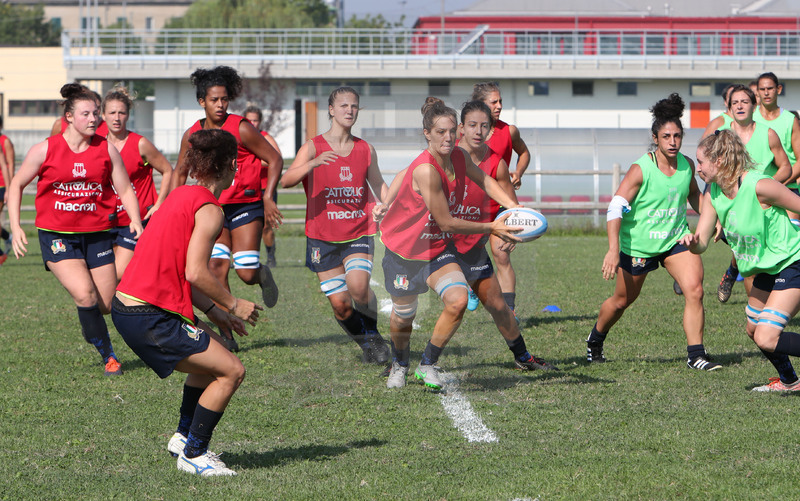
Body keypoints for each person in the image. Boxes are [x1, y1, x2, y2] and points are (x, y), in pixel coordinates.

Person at [113, 129, 262, 476]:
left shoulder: (180, 195)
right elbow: (196, 272)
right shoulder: (210, 210)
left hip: (131, 307)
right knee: (232, 371)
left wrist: (214, 312)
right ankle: (195, 454)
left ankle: (182, 438)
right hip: (148, 314)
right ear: (232, 165)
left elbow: (181, 269)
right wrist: (234, 304)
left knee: (215, 354)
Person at [379, 97, 522, 390]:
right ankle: (400, 364)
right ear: (427, 134)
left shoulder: (459, 156)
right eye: (440, 132)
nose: (447, 137)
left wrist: (514, 207)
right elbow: (446, 223)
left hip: (436, 249)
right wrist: (492, 226)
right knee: (403, 317)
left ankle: (427, 364)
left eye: (451, 131)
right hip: (404, 253)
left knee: (458, 301)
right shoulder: (426, 170)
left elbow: (486, 180)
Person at [7, 83, 143, 376]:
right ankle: (109, 357)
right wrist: (16, 226)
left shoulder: (105, 148)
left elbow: (124, 188)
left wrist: (135, 219)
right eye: (86, 114)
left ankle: (90, 324)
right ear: (69, 116)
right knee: (85, 295)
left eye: (96, 113)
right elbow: (16, 184)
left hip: (98, 234)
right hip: (58, 237)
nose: (94, 119)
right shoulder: (45, 149)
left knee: (105, 304)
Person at [586, 93, 719, 371]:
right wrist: (613, 250)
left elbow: (694, 195)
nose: (673, 142)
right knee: (622, 301)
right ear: (655, 138)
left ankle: (696, 355)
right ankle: (595, 338)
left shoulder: (687, 165)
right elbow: (615, 207)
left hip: (676, 240)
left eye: (677, 136)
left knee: (695, 290)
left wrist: (712, 219)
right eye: (666, 136)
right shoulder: (641, 169)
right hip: (639, 246)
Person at [681, 129, 800, 391]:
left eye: (700, 162)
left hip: (793, 262)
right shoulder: (713, 193)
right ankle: (790, 382)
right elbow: (702, 243)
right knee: (754, 329)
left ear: (719, 161)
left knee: (767, 337)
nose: (697, 168)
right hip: (766, 269)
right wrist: (692, 242)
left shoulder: (759, 185)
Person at [281, 87, 391, 364]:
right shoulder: (313, 147)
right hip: (322, 237)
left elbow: (378, 184)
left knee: (359, 288)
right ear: (331, 110)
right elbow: (286, 180)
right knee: (341, 306)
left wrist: (389, 204)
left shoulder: (365, 149)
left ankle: (375, 339)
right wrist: (313, 163)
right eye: (343, 105)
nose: (349, 110)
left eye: (354, 106)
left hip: (358, 231)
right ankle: (366, 343)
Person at [452, 100, 557, 371]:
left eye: (484, 126)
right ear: (461, 128)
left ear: (490, 130)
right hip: (440, 243)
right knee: (449, 302)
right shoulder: (446, 156)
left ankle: (523, 356)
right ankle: (403, 360)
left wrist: (516, 226)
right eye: (472, 125)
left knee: (497, 305)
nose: (478, 131)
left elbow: (510, 204)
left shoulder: (495, 164)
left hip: (475, 242)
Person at [172, 66, 282, 318]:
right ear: (202, 102)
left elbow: (275, 159)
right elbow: (180, 172)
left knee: (246, 273)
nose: (220, 105)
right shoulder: (192, 134)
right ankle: (229, 327)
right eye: (214, 100)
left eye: (224, 99)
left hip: (245, 205)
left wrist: (267, 197)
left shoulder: (242, 128)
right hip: (211, 208)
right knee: (216, 267)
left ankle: (262, 274)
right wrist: (173, 206)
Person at [709, 84, 792, 303]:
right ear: (729, 108)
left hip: (764, 208)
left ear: (754, 106)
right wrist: (715, 215)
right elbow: (711, 173)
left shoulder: (768, 134)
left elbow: (786, 167)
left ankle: (769, 300)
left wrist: (765, 189)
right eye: (735, 102)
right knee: (749, 261)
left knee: (769, 257)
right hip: (734, 207)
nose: (739, 106)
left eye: (744, 102)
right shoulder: (721, 136)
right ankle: (756, 308)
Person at [470, 82, 529, 321]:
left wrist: (518, 172)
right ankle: (471, 283)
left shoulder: (509, 131)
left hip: (502, 203)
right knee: (469, 256)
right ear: (480, 104)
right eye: (493, 102)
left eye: (500, 101)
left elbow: (524, 153)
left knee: (502, 254)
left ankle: (509, 311)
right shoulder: (467, 135)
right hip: (472, 207)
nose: (499, 106)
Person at [102, 86, 174, 280]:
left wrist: (159, 204)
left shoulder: (140, 143)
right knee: (108, 276)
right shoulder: (97, 145)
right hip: (108, 221)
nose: (117, 118)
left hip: (136, 220)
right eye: (112, 113)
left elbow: (168, 170)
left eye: (122, 113)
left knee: (118, 273)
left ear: (128, 115)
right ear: (103, 115)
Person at [754, 72, 800, 221]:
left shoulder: (790, 120)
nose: (766, 93)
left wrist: (779, 183)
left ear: (778, 89)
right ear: (757, 92)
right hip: (757, 191)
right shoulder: (750, 118)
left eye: (770, 88)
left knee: (792, 233)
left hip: (788, 188)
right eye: (762, 89)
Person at [243, 105, 282, 269]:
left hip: (266, 189)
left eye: (255, 120)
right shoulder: (241, 138)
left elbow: (276, 158)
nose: (252, 123)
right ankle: (245, 258)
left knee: (266, 226)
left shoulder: (265, 137)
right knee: (245, 225)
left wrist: (252, 161)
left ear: (260, 122)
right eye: (249, 120)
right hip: (247, 188)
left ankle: (271, 256)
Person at [0, 116, 14, 264]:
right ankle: (7, 237)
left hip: (1, 185)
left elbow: (8, 164)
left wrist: (10, 188)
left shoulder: (5, 141)